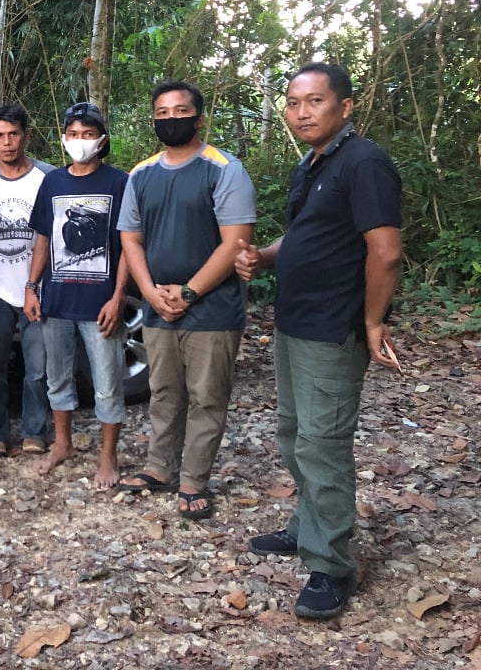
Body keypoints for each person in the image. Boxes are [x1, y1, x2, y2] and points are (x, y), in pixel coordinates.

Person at [235, 63, 402, 620]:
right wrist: (262, 257)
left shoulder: (365, 162)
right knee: (293, 433)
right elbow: (306, 235)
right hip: (293, 322)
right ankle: (305, 526)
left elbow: (385, 252)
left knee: (323, 445)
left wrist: (373, 322)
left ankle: (330, 565)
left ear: (345, 106)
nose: (301, 112)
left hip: (334, 328)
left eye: (314, 101)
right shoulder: (312, 163)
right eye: (292, 102)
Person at [115, 81, 255, 521]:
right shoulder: (140, 174)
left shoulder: (224, 169)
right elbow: (131, 240)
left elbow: (236, 242)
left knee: (207, 397)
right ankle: (159, 468)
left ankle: (193, 479)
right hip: (158, 307)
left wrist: (191, 291)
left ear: (198, 117)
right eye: (162, 112)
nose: (171, 118)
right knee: (163, 393)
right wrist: (151, 291)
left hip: (212, 309)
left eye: (180, 111)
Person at [24, 102, 131, 490]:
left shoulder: (120, 183)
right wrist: (31, 287)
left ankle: (108, 457)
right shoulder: (52, 182)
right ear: (63, 137)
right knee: (57, 378)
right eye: (73, 134)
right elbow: (43, 238)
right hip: (57, 301)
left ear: (102, 139)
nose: (80, 141)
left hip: (100, 304)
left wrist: (119, 297)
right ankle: (62, 444)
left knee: (107, 383)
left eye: (88, 134)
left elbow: (129, 245)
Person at [0, 105, 54, 458]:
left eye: (14, 134)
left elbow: (53, 235)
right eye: (0, 136)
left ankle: (35, 431)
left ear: (26, 136)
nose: (8, 143)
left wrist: (36, 285)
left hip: (37, 289)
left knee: (37, 368)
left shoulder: (47, 179)